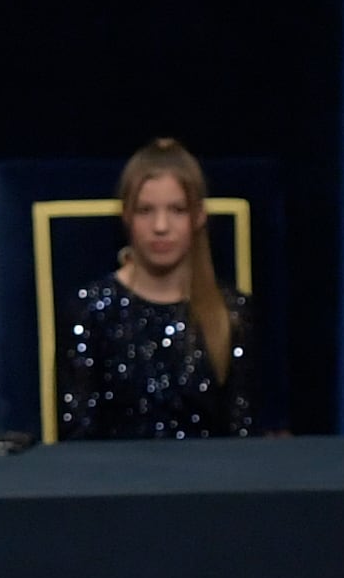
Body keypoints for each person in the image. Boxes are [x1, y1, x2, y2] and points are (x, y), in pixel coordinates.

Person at [57, 138, 262, 440]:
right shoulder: (90, 310)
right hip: (115, 482)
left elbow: (243, 435)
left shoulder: (232, 312)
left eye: (177, 210)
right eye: (145, 211)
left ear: (199, 216)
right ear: (126, 215)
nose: (161, 226)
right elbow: (77, 435)